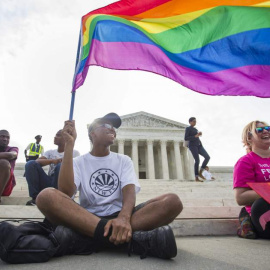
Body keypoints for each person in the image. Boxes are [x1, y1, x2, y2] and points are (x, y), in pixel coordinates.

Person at [35, 113, 183, 260]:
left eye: (113, 128)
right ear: (92, 134)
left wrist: (124, 218)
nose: (112, 129)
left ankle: (88, 240)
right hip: (87, 218)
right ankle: (132, 241)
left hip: (121, 216)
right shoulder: (78, 162)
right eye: (106, 126)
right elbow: (66, 193)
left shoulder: (124, 160)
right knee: (46, 196)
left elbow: (129, 190)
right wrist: (69, 146)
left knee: (173, 202)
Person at [234, 120, 270, 239]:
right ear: (249, 138)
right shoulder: (245, 162)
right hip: (263, 209)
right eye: (259, 130)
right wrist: (267, 190)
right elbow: (240, 198)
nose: (265, 131)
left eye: (268, 128)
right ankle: (247, 222)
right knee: (262, 202)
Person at [25, 130, 80, 206]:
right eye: (55, 135)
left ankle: (62, 198)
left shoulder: (74, 153)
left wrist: (61, 163)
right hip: (50, 181)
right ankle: (35, 198)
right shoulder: (50, 152)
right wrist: (53, 161)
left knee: (61, 166)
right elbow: (37, 161)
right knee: (30, 163)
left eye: (58, 135)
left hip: (61, 185)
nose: (55, 137)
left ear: (65, 138)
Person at [184, 117, 210, 182]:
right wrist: (195, 136)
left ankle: (200, 171)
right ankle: (196, 177)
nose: (195, 122)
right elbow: (186, 138)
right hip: (193, 146)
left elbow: (197, 137)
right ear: (190, 122)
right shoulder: (188, 128)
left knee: (207, 157)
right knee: (197, 160)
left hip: (199, 145)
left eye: (195, 121)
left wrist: (199, 135)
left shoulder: (195, 129)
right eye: (194, 121)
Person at [0, 130, 18, 202]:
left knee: (4, 163)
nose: (5, 139)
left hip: (5, 187)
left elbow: (11, 155)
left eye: (8, 137)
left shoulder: (13, 149)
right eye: (2, 136)